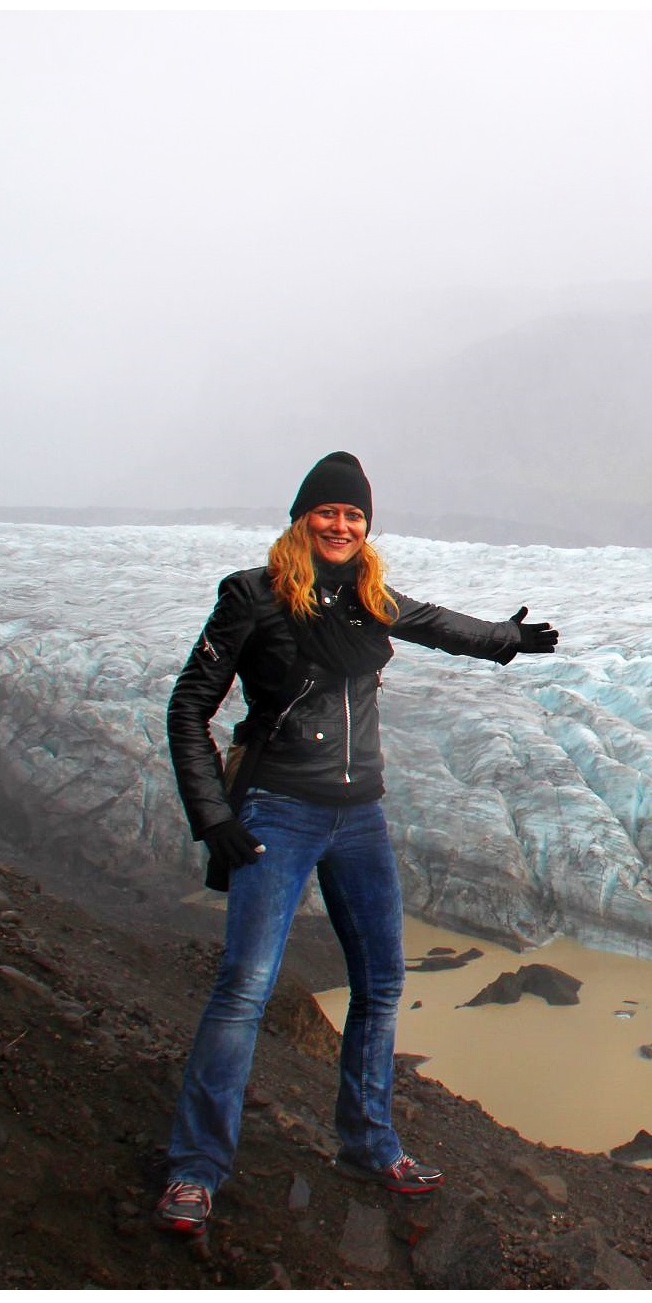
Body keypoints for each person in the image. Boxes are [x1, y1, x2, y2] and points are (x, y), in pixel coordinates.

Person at [153, 451, 559, 1235]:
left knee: (378, 984)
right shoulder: (253, 597)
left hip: (358, 817)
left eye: (354, 515)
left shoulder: (370, 596)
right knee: (243, 991)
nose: (340, 525)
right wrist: (215, 817)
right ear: (302, 518)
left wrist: (505, 638)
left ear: (366, 527)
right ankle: (196, 1170)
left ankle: (369, 1145)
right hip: (279, 811)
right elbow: (188, 708)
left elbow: (437, 624)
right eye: (328, 512)